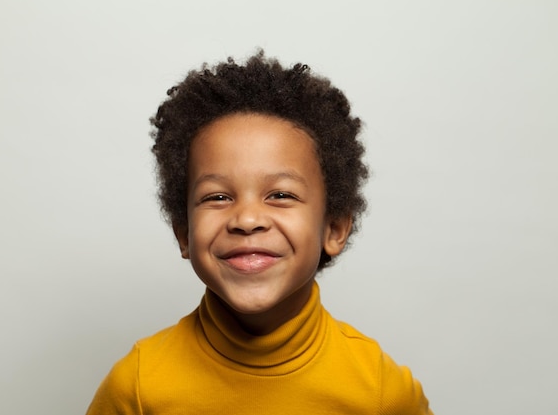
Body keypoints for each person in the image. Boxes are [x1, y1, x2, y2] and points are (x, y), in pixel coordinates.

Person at [86, 51, 433, 414]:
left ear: (334, 228)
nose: (248, 219)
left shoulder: (381, 391)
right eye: (217, 196)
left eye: (280, 195)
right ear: (184, 233)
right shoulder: (138, 387)